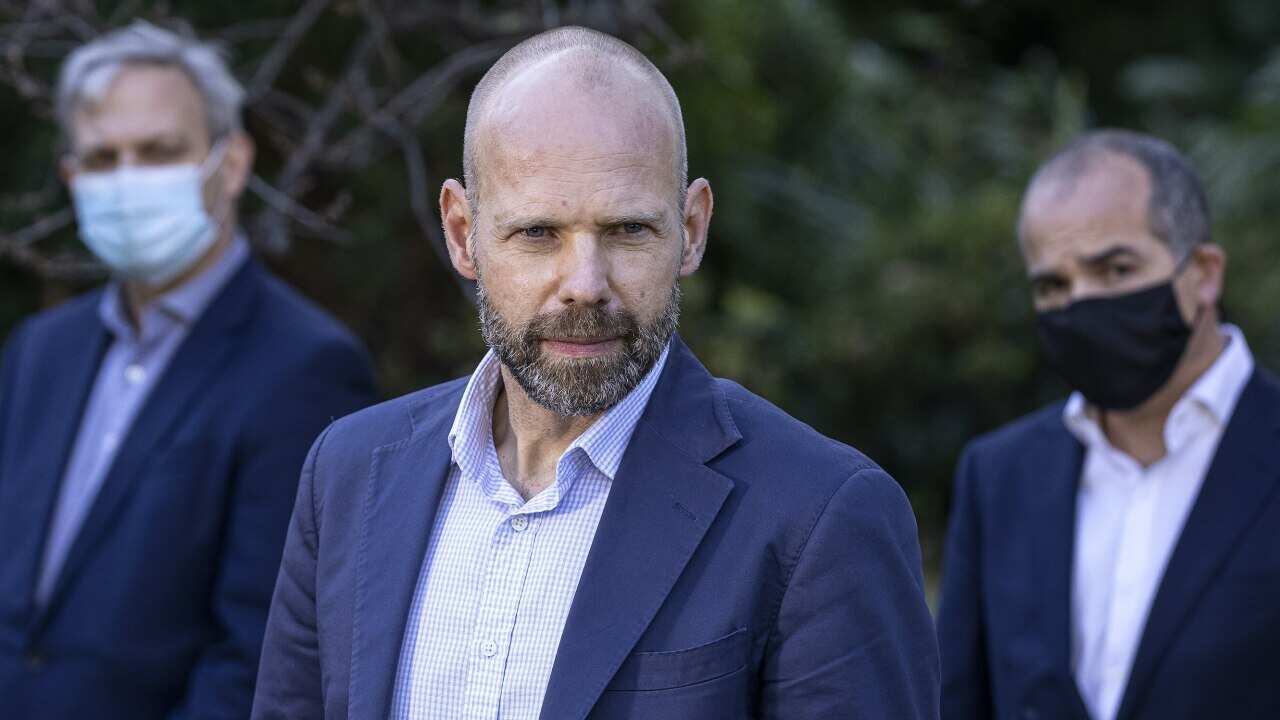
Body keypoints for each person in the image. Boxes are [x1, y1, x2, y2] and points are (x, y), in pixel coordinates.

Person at [252, 25, 938, 720]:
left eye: (627, 231)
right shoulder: (348, 473)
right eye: (538, 233)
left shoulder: (821, 515)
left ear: (692, 229)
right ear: (462, 233)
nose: (585, 284)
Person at [0, 21, 377, 718]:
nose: (128, 178)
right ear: (72, 178)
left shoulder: (305, 369)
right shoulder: (39, 353)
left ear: (230, 164)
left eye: (158, 151)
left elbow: (264, 656)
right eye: (103, 157)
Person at [937, 129, 1280, 720]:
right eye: (1054, 285)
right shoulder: (999, 475)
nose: (1083, 303)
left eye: (1116, 269)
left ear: (1203, 272)